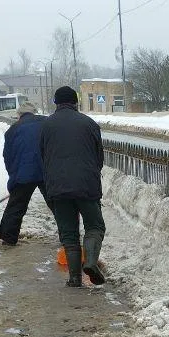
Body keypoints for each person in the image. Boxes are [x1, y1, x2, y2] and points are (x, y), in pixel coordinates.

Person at [39, 85, 105, 287]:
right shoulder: (89, 123)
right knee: (94, 226)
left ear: (56, 103)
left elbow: (43, 157)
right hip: (86, 186)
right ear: (76, 102)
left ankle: (75, 278)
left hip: (58, 188)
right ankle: (91, 262)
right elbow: (99, 157)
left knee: (69, 233)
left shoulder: (46, 126)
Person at [0, 102, 47, 246]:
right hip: (46, 171)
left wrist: (13, 175)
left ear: (20, 115)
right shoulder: (45, 123)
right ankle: (68, 238)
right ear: (34, 112)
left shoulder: (13, 129)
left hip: (23, 174)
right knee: (58, 206)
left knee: (16, 207)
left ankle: (8, 238)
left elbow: (8, 155)